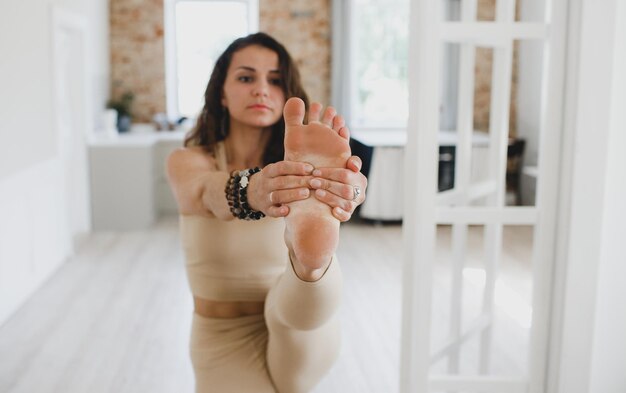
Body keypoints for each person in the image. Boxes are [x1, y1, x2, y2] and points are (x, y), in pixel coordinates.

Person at [166, 32, 367, 392]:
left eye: (275, 80)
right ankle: (309, 262)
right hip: (223, 335)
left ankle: (309, 261)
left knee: (296, 306)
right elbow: (202, 193)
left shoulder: (298, 170)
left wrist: (345, 191)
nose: (261, 89)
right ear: (222, 94)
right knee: (297, 310)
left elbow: (350, 187)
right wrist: (252, 191)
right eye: (246, 78)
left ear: (288, 91)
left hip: (299, 323)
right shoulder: (188, 162)